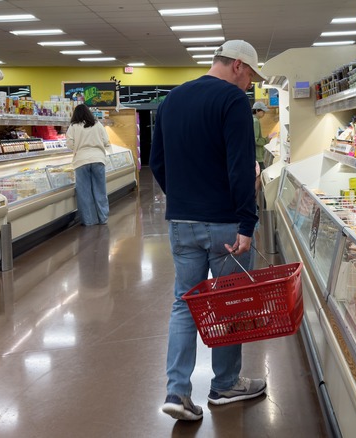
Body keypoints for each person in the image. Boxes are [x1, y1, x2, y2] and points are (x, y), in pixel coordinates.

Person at [150, 39, 267, 422]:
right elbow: (240, 165)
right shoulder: (232, 100)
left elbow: (156, 162)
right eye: (250, 76)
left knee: (184, 303)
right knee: (229, 300)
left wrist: (182, 200)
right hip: (226, 225)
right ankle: (225, 385)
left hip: (181, 223)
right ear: (237, 65)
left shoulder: (171, 100)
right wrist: (247, 222)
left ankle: (177, 392)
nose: (249, 84)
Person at [66, 103, 110, 226]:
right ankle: (103, 218)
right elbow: (106, 141)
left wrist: (78, 148)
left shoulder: (73, 126)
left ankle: (89, 221)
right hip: (98, 159)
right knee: (100, 190)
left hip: (81, 161)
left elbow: (69, 144)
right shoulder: (97, 124)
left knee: (84, 192)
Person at [252, 101, 271, 169]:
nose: (264, 113)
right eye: (263, 111)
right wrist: (267, 139)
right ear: (257, 110)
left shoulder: (251, 119)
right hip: (257, 156)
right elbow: (255, 140)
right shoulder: (255, 121)